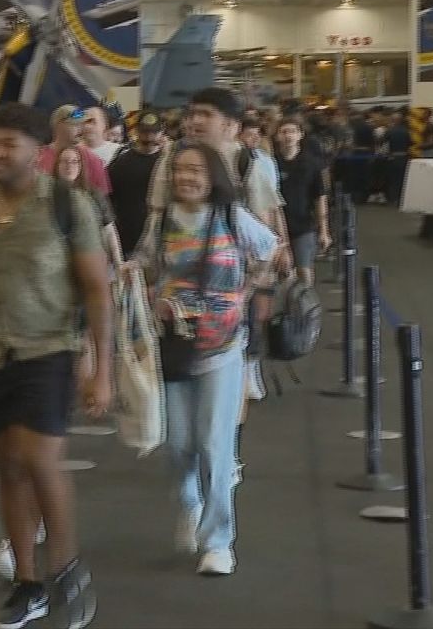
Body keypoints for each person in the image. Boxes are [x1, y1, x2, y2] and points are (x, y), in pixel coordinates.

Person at [0, 103, 111, 629]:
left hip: (47, 351)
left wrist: (102, 369)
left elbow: (97, 290)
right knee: (9, 468)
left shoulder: (67, 204)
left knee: (40, 460)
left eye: (8, 144)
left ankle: (66, 569)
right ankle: (28, 584)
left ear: (37, 151)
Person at [133, 142, 276, 576]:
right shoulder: (161, 221)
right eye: (179, 170)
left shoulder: (232, 216)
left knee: (215, 443)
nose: (186, 177)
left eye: (195, 170)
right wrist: (134, 280)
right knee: (178, 443)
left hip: (222, 346)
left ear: (212, 176)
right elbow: (145, 264)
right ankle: (189, 501)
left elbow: (270, 249)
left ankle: (218, 542)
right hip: (174, 343)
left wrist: (245, 293)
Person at [147, 89, 289, 403]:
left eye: (206, 114)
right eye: (192, 113)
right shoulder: (172, 158)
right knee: (178, 374)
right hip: (177, 298)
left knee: (231, 388)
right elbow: (157, 219)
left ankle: (231, 431)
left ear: (230, 125)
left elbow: (265, 226)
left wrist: (250, 289)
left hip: (230, 298)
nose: (195, 121)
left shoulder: (249, 162)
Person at [273, 118, 331, 286]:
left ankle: (306, 300)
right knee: (282, 271)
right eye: (284, 132)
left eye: (292, 131)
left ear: (300, 135)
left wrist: (324, 230)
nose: (288, 136)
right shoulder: (270, 163)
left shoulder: (312, 164)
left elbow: (320, 197)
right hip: (276, 226)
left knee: (304, 269)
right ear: (277, 136)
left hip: (304, 225)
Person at [106, 111, 166, 258]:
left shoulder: (167, 162)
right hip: (128, 238)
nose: (149, 137)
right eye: (145, 132)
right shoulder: (121, 163)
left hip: (160, 239)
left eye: (154, 132)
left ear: (162, 132)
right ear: (137, 131)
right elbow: (108, 199)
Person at [37, 105, 110, 195]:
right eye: (75, 124)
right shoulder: (39, 156)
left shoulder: (92, 160)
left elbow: (102, 198)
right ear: (59, 125)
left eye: (82, 124)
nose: (81, 129)